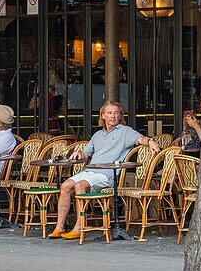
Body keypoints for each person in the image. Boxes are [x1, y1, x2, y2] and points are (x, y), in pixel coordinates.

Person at [50, 100, 158, 240]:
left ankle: (78, 228)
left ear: (120, 116)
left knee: (80, 185)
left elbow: (140, 138)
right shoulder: (98, 135)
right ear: (103, 116)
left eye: (116, 113)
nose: (113, 116)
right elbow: (86, 153)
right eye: (110, 113)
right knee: (65, 186)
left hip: (107, 175)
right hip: (90, 172)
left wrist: (150, 142)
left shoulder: (125, 131)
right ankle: (59, 227)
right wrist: (79, 154)